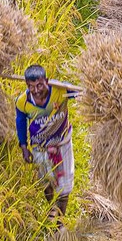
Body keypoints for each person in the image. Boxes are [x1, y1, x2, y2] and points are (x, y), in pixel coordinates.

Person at [15, 64, 81, 224]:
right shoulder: (23, 102)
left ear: (46, 81)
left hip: (62, 142)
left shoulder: (61, 91)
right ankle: (52, 205)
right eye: (31, 87)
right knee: (47, 183)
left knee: (65, 189)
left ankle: (60, 222)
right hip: (40, 147)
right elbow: (21, 123)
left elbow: (82, 93)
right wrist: (24, 147)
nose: (36, 90)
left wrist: (81, 93)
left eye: (39, 85)